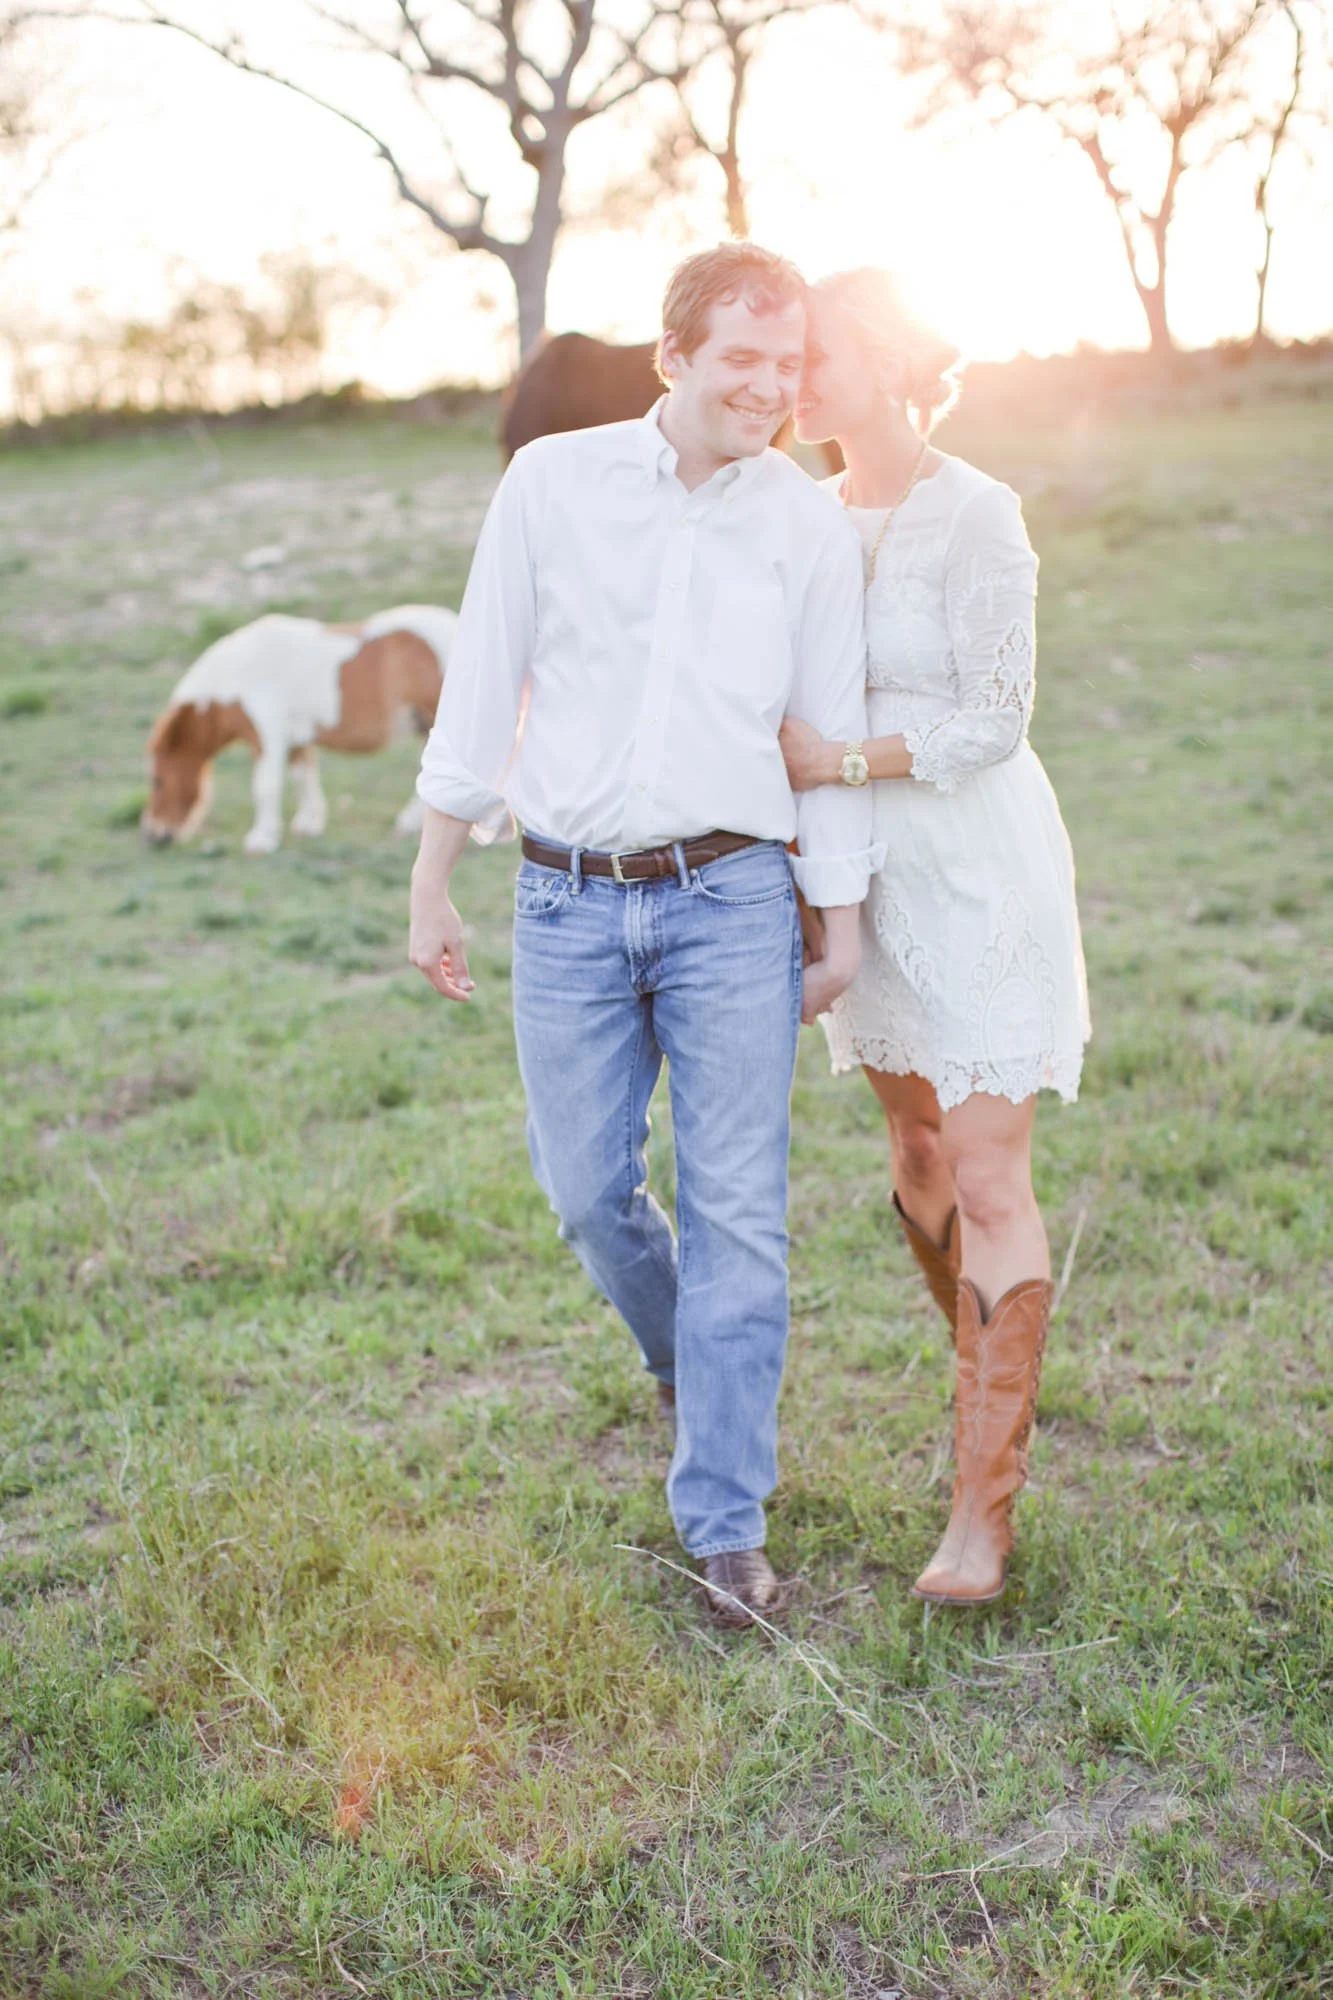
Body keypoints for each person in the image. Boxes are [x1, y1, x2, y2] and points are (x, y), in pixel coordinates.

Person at [409, 244, 880, 1627]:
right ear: (674, 357)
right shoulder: (551, 482)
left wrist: (836, 920)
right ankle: (690, 1353)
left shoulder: (801, 522)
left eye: (788, 368)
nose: (769, 390)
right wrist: (437, 871)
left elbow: (826, 727)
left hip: (733, 897)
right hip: (559, 898)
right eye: (742, 360)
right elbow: (483, 676)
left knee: (742, 1213)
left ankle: (725, 1522)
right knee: (583, 1192)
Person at [782, 268, 1091, 1607]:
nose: (798, 381)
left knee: (984, 1174)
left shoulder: (978, 513)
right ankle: (986, 1388)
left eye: (821, 358)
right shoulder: (793, 515)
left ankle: (982, 1513)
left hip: (973, 869)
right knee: (913, 1150)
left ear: (892, 362)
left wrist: (841, 760)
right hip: (860, 883)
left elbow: (994, 718)